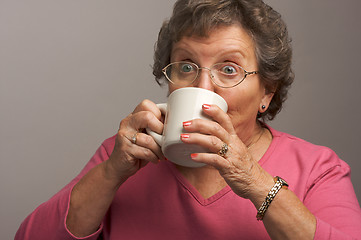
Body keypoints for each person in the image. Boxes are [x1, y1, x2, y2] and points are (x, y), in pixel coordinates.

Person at [15, 0, 361, 239]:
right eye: (186, 66)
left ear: (266, 92)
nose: (203, 86)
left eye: (229, 69)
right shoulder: (124, 156)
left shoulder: (317, 168)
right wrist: (110, 172)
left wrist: (253, 180)